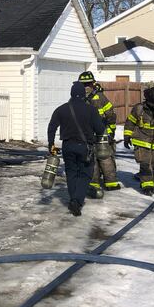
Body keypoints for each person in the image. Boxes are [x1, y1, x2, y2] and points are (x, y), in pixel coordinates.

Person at [48, 82, 106, 216]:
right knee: (85, 174)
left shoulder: (61, 109)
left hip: (68, 146)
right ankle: (77, 201)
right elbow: (100, 129)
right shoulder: (90, 109)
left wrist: (51, 144)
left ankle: (74, 198)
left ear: (71, 94)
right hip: (85, 147)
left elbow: (52, 127)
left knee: (71, 173)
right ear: (83, 94)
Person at [78, 71, 120, 195]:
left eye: (87, 84)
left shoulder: (77, 97)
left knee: (92, 157)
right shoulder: (100, 97)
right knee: (105, 156)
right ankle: (110, 182)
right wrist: (111, 130)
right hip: (100, 132)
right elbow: (111, 115)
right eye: (85, 84)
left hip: (88, 134)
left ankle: (95, 182)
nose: (86, 87)